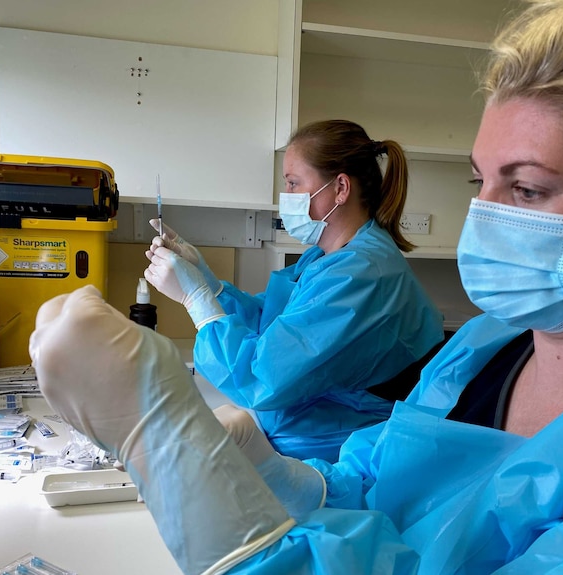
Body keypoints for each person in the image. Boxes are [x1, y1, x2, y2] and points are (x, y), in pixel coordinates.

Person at [29, 0, 563, 573]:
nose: (488, 215)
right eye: (483, 182)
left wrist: (157, 435)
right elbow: (373, 491)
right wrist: (283, 477)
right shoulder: (482, 348)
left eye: (527, 189)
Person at [143, 119, 445, 462]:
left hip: (344, 451)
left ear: (340, 188)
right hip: (307, 428)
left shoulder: (359, 274)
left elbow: (262, 375)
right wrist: (209, 285)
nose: (285, 197)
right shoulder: (329, 256)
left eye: (293, 183)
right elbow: (275, 326)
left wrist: (198, 301)